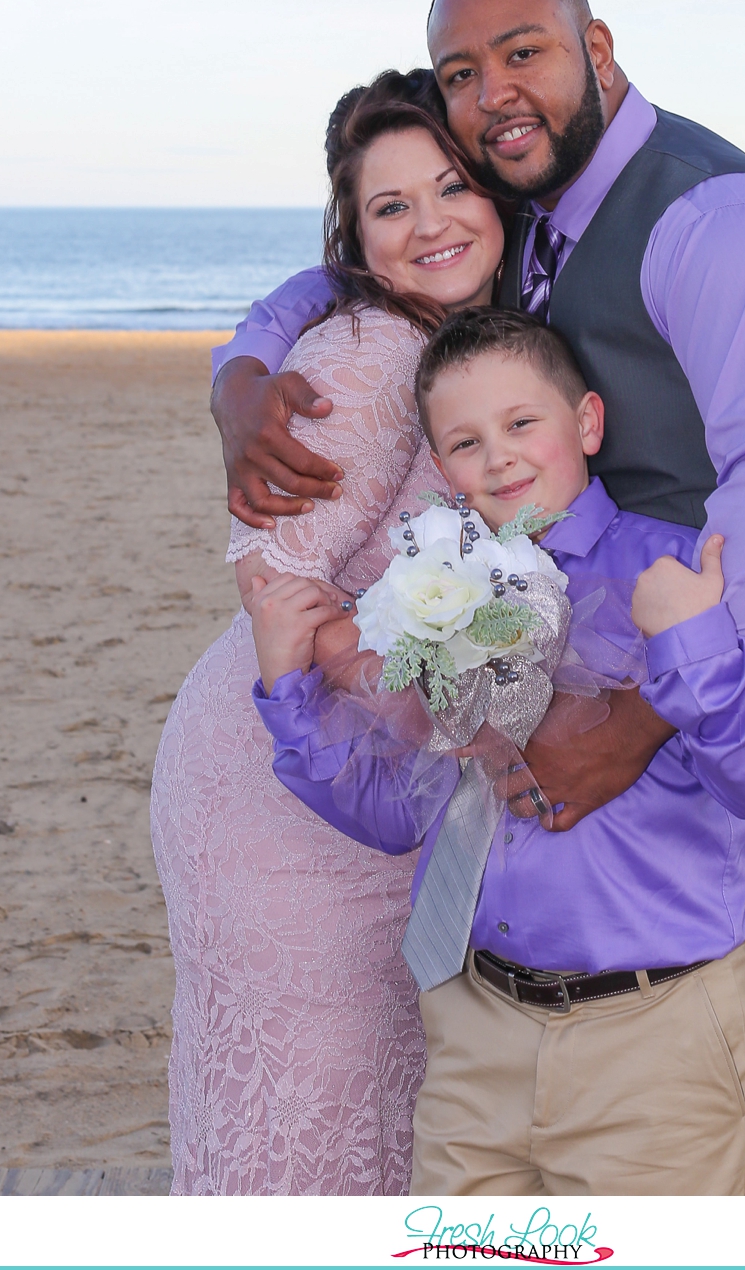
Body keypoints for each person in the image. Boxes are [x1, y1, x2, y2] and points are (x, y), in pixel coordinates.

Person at [210, 0, 745, 1196]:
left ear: (597, 51)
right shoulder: (541, 214)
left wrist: (642, 713)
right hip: (664, 683)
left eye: (525, 53)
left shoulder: (721, 218)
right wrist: (241, 372)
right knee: (726, 1073)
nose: (495, 90)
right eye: (462, 70)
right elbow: (360, 254)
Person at [248, 308, 745, 1195]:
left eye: (522, 423)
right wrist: (288, 690)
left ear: (585, 422)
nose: (499, 456)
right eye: (465, 442)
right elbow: (401, 812)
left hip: (654, 1038)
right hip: (477, 1028)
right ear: (440, 467)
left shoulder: (670, 575)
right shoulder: (423, 595)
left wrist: (694, 643)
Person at [149, 71, 508, 1194]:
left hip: (366, 778)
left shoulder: (465, 335)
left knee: (362, 1121)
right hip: (280, 787)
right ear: (356, 236)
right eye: (391, 207)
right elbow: (276, 571)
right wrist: (362, 646)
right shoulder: (375, 353)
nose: (431, 222)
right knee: (309, 1125)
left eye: (451, 186)